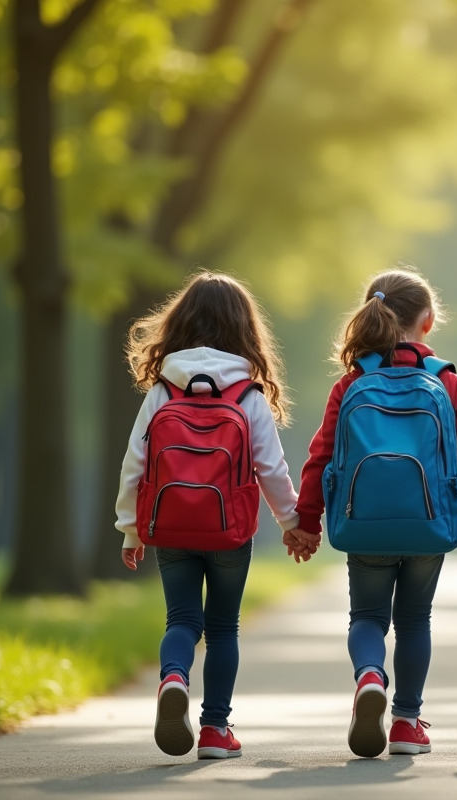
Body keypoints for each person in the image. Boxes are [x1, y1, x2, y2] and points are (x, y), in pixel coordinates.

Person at [288, 267, 457, 758]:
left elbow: (321, 455)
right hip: (429, 523)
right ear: (427, 322)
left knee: (366, 615)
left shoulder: (352, 382)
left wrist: (306, 520)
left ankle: (368, 676)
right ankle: (406, 723)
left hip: (364, 523)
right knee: (415, 619)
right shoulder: (447, 381)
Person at [115, 270, 314, 760]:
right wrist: (294, 525)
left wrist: (130, 528)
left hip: (171, 525)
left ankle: (174, 679)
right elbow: (271, 466)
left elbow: (135, 462)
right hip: (230, 531)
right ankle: (215, 731)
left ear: (179, 324)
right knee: (223, 626)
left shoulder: (164, 389)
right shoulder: (247, 394)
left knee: (181, 619)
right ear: (244, 330)